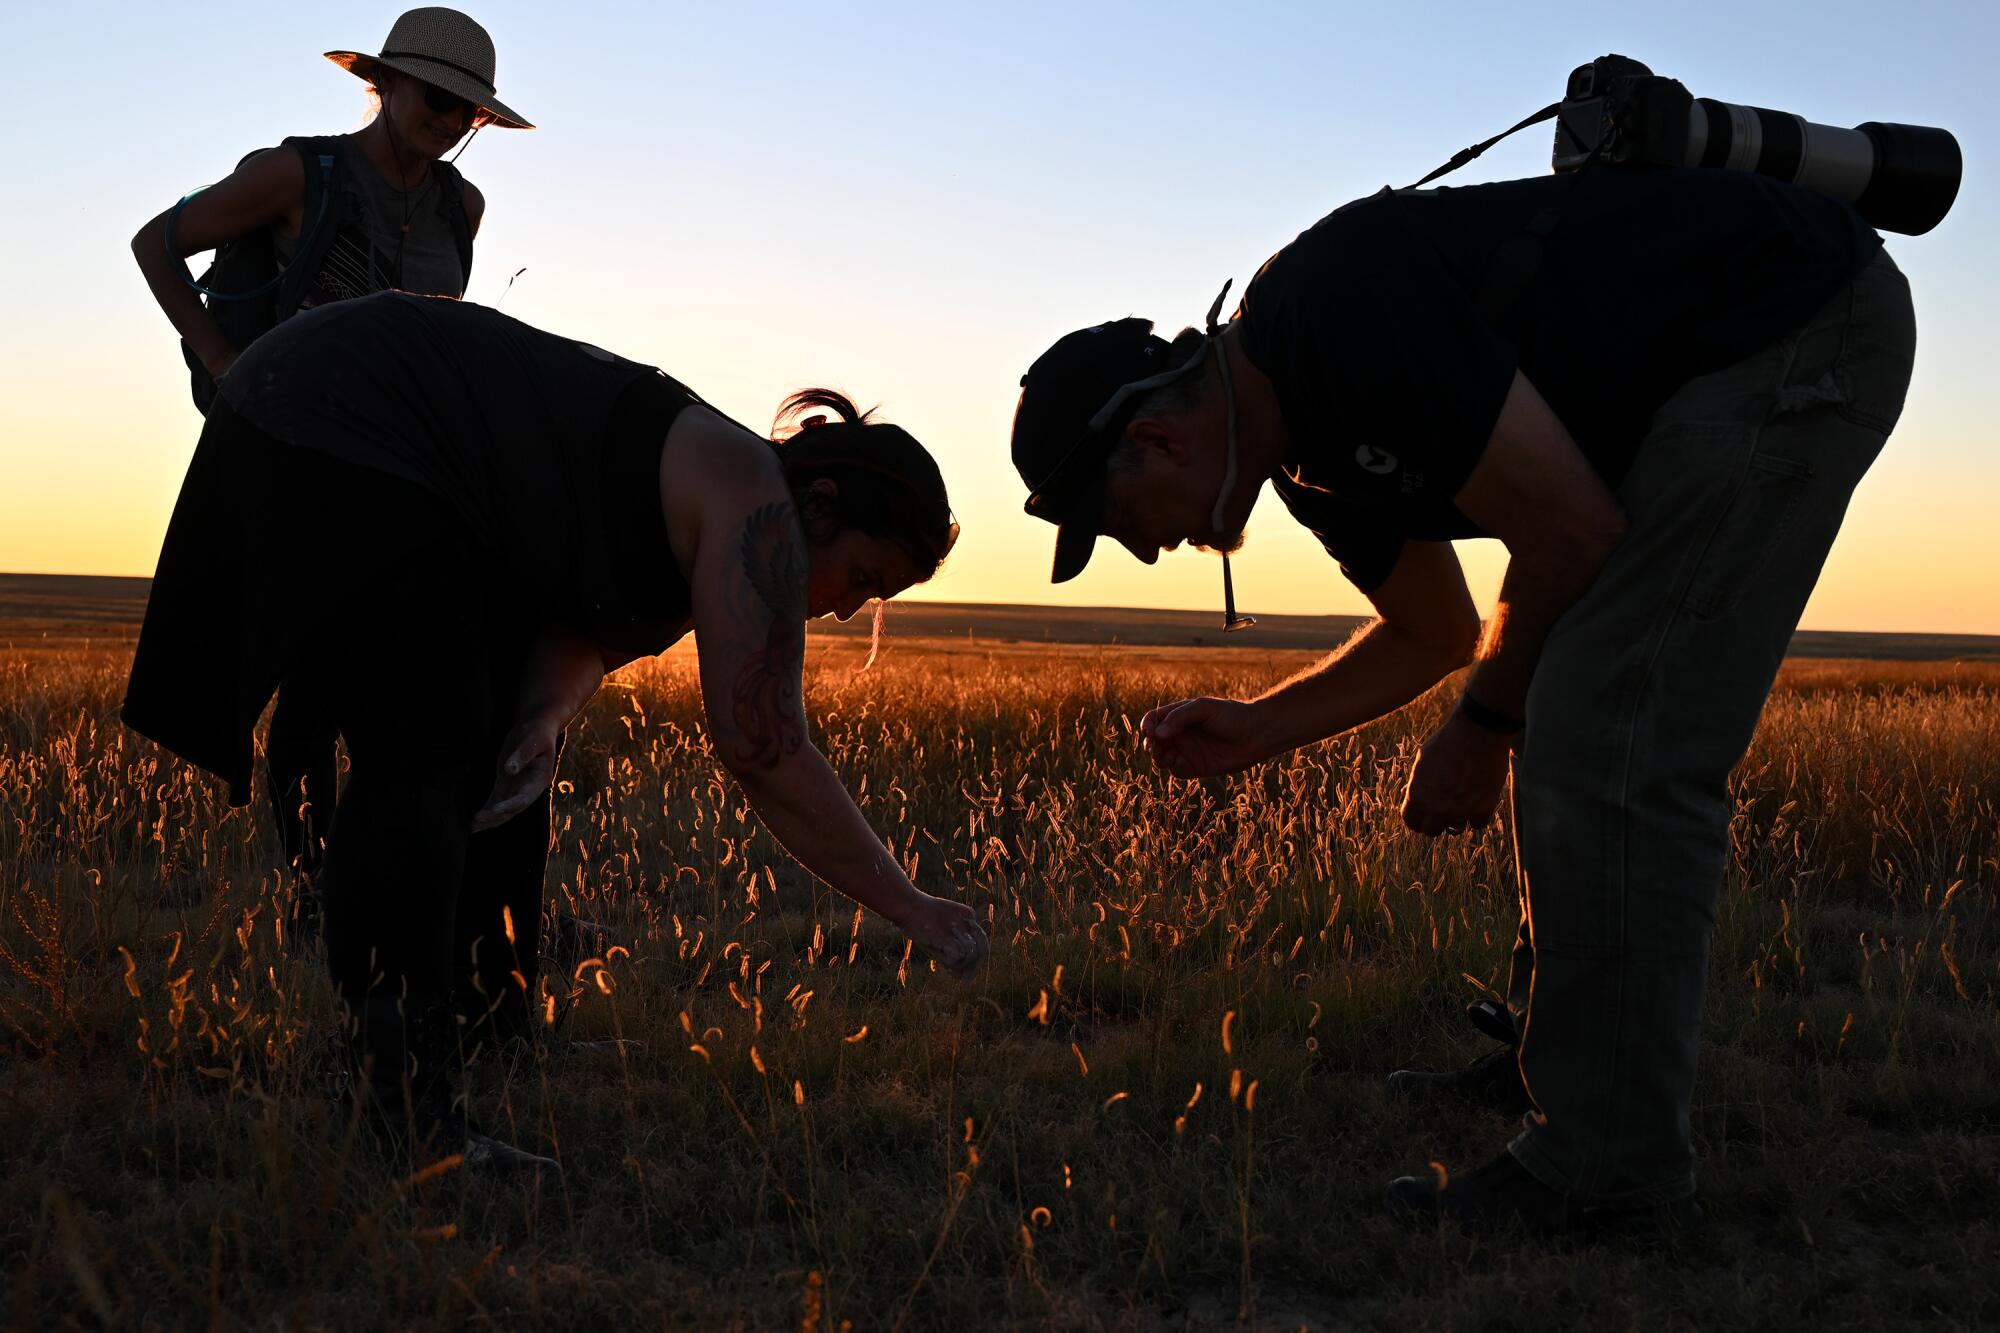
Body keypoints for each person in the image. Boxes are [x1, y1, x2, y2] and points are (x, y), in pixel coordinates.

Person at [1009, 166, 1912, 1234]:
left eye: (1120, 520)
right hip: (1705, 366)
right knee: (1565, 692)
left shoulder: (1334, 317)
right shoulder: (1304, 459)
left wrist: (1482, 728)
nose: (1146, 547)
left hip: (1792, 325)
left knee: (1605, 732)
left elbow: (1569, 533)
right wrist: (1261, 728)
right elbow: (1435, 631)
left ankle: (1607, 1168)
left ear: (1154, 440)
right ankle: (1560, 1068)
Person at [123, 291, 989, 1178]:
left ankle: (492, 1033)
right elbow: (763, 745)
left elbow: (591, 621)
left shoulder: (714, 498)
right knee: (427, 751)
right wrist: (910, 906)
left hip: (344, 413)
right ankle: (402, 1122)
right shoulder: (748, 497)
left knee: (502, 752)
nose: (845, 607)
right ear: (820, 506)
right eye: (864, 575)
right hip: (340, 413)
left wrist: (540, 719)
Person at [129, 6, 529, 927]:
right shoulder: (294, 173)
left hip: (404, 475)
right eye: (438, 96)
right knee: (309, 692)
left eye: (470, 111)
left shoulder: (462, 207)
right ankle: (316, 895)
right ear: (383, 84)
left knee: (404, 685)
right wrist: (225, 360)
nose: (451, 120)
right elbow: (155, 242)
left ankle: (386, 886)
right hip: (295, 461)